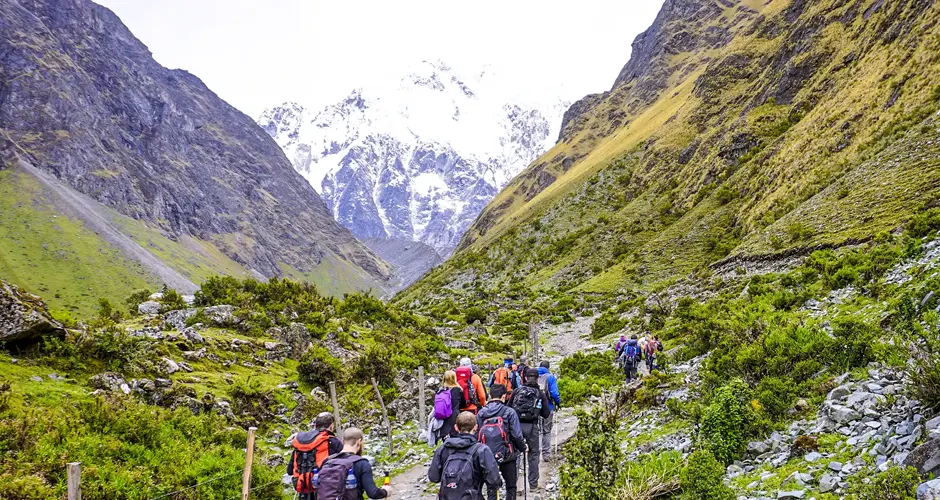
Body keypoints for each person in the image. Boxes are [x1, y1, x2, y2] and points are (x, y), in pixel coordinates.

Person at [429, 411, 502, 500]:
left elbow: (433, 477)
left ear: (456, 427)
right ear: (475, 427)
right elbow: (494, 481)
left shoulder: (443, 449)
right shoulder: (482, 450)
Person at [476, 384, 527, 500]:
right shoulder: (509, 412)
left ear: (489, 395)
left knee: (491, 487)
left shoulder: (481, 413)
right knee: (511, 486)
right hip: (506, 454)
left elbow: (476, 433)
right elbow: (517, 434)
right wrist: (522, 448)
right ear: (504, 396)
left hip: (485, 455)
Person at [508, 368, 552, 491]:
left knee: (515, 454)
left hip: (516, 427)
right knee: (533, 454)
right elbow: (546, 414)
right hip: (532, 427)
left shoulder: (517, 391)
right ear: (537, 378)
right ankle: (533, 485)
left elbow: (508, 409)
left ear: (525, 377)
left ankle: (514, 485)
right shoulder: (540, 393)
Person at [316, 427, 389, 500]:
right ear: (359, 442)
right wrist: (385, 491)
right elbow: (373, 493)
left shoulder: (327, 461)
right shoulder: (362, 463)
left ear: (342, 441)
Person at [287, 412, 345, 498]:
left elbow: (289, 470)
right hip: (325, 490)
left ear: (315, 425)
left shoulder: (302, 442)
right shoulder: (333, 441)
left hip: (303, 488)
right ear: (331, 426)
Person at [537, 361, 561, 462]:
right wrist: (558, 403)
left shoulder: (533, 375)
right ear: (548, 367)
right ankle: (546, 454)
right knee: (546, 431)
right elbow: (554, 393)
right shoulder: (550, 377)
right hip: (548, 407)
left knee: (538, 431)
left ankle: (535, 454)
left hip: (535, 408)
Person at [437, 370, 465, 442]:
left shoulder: (441, 390)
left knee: (446, 441)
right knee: (456, 439)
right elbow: (463, 404)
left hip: (443, 418)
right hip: (454, 417)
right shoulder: (458, 390)